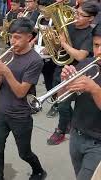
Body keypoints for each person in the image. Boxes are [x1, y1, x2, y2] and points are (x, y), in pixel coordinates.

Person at [0, 17, 46, 180]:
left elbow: (21, 92)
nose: (12, 41)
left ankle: (39, 171)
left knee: (24, 153)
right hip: (2, 111)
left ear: (29, 37)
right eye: (10, 36)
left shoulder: (35, 60)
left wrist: (6, 71)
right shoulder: (8, 53)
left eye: (17, 37)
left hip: (20, 115)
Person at [46, 1, 98, 145]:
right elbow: (58, 47)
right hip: (61, 68)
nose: (76, 16)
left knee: (63, 104)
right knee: (60, 100)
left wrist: (63, 43)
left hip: (78, 71)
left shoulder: (90, 33)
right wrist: (52, 44)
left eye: (81, 15)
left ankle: (61, 131)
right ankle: (69, 122)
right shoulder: (68, 26)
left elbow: (81, 56)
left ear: (91, 18)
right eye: (76, 12)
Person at [60, 23, 101, 180]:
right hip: (76, 135)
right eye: (96, 45)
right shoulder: (86, 64)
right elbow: (62, 99)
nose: (99, 51)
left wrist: (95, 89)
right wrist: (65, 82)